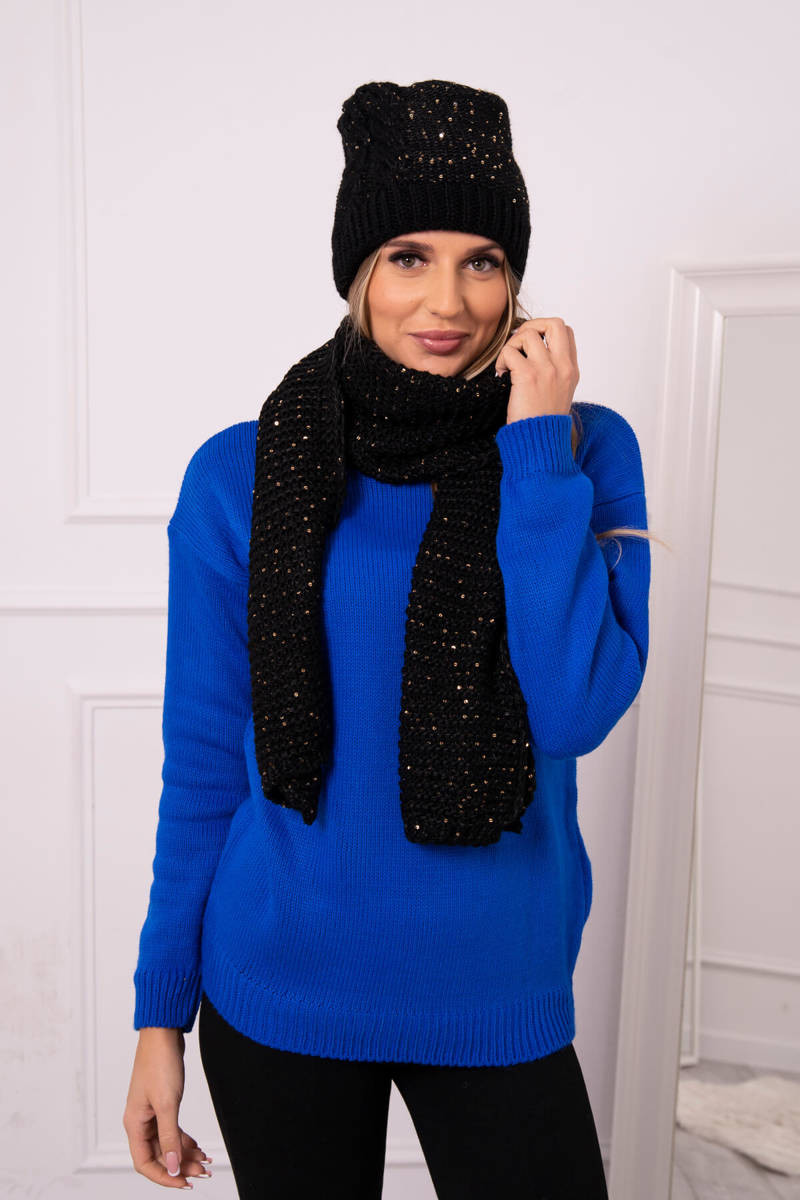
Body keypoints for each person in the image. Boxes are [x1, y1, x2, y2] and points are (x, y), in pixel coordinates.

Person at [123, 78, 652, 1199]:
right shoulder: (240, 473)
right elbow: (205, 761)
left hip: (496, 987)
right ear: (358, 269)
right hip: (277, 992)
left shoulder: (578, 449)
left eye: (482, 261)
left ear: (514, 278)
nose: (447, 300)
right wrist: (157, 1017)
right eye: (409, 256)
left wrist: (536, 454)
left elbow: (574, 708)